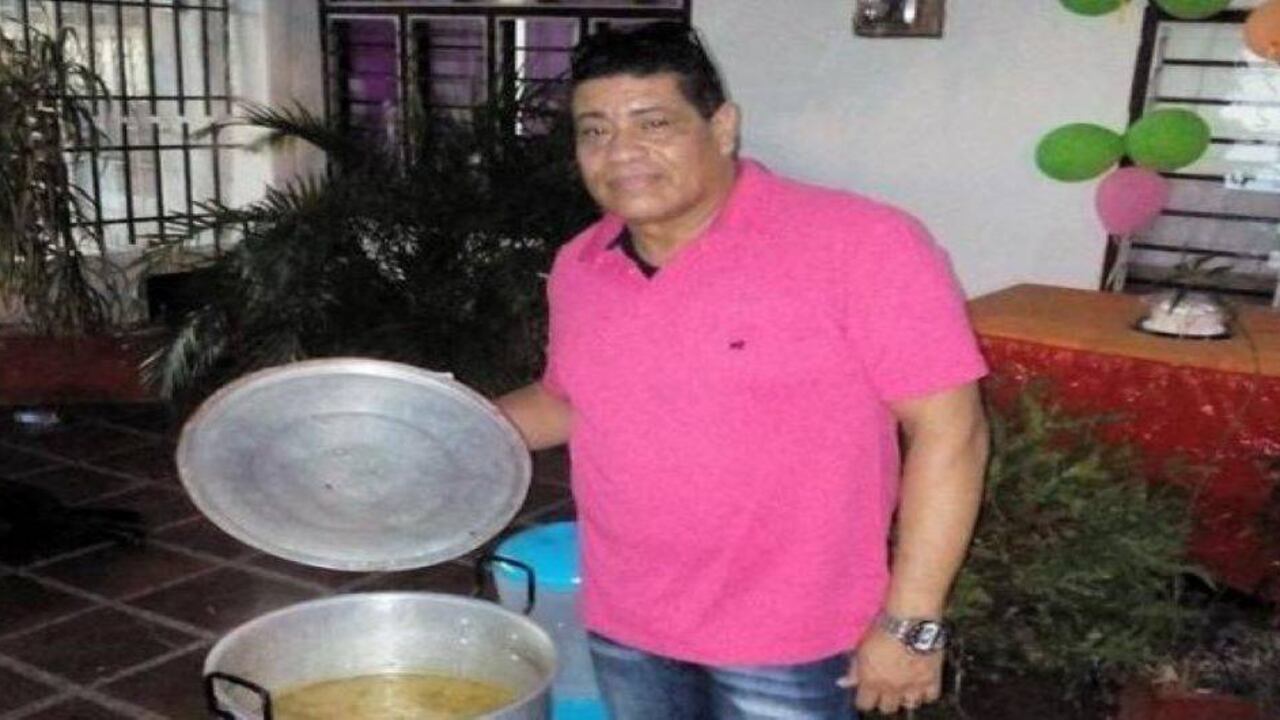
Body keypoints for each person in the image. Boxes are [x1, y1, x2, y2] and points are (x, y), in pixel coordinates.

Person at [496, 21, 989, 720]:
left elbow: (951, 432)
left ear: (722, 127)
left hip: (791, 638)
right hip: (627, 620)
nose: (621, 152)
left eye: (653, 123)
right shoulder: (582, 264)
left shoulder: (860, 244)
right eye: (594, 131)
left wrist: (911, 623)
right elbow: (568, 401)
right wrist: (437, 430)